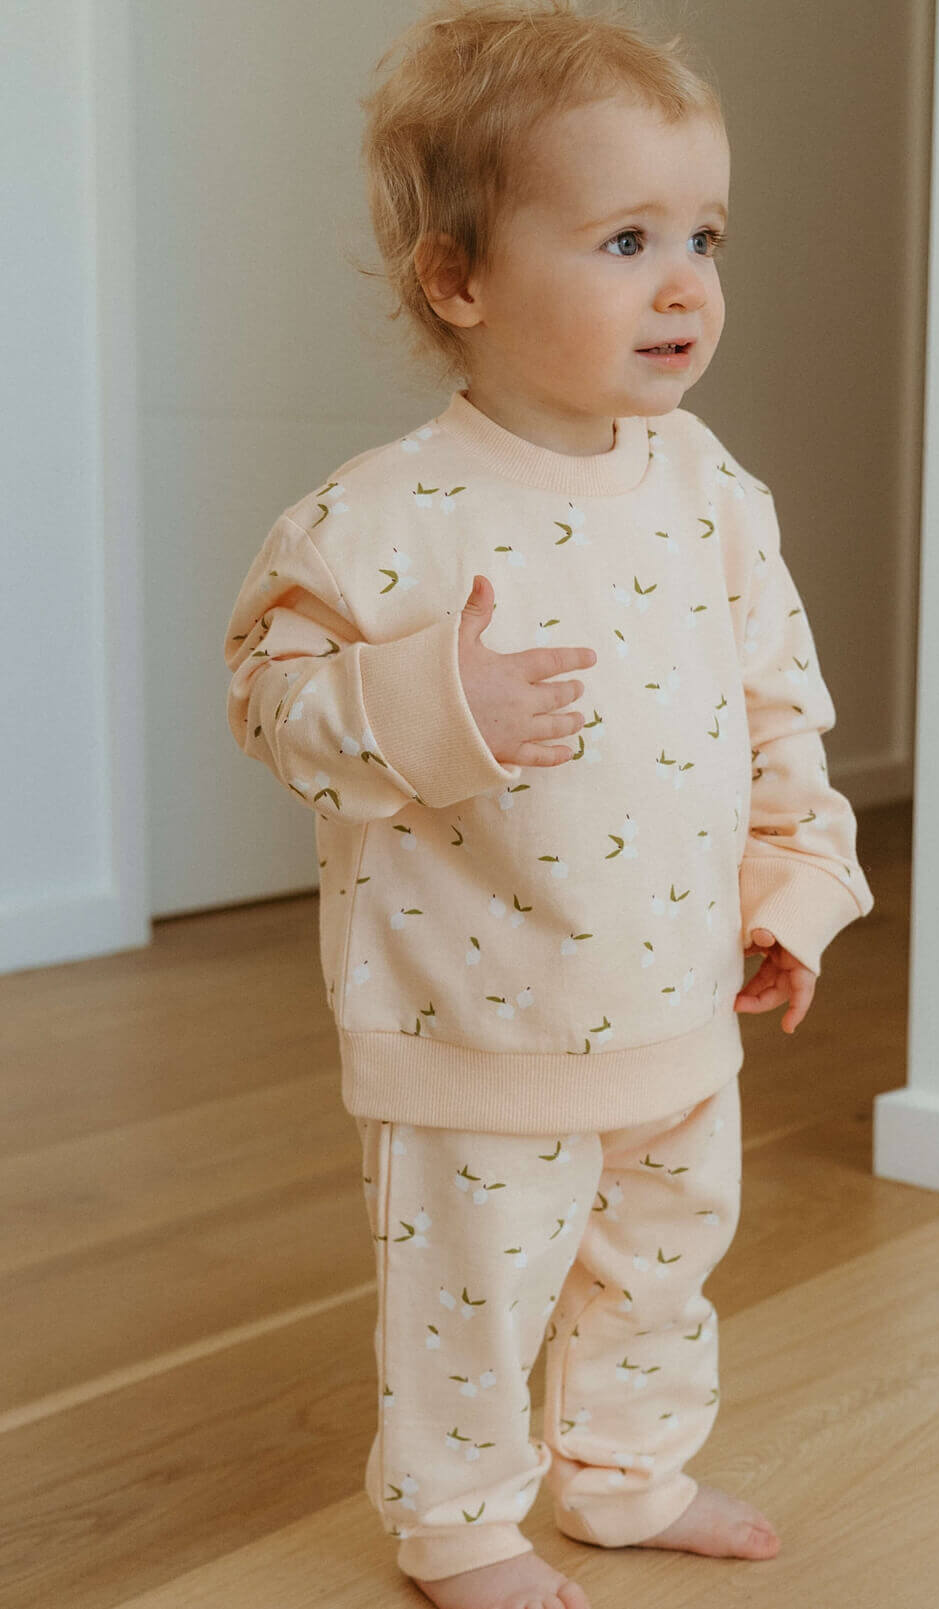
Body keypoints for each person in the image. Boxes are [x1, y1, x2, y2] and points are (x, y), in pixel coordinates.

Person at [222, 3, 874, 1605]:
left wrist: (795, 886)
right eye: (625, 236)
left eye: (704, 235)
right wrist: (435, 705)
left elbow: (781, 702)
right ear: (462, 279)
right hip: (478, 1015)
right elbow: (267, 697)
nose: (683, 283)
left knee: (663, 1254)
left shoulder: (713, 490)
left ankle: (626, 1473)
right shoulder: (386, 517)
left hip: (673, 996)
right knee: (476, 1285)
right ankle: (458, 1523)